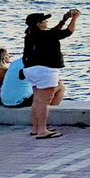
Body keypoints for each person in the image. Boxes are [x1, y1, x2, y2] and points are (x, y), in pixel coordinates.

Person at [22, 10, 79, 140]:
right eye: (45, 20)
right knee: (44, 102)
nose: (47, 22)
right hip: (45, 70)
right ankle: (42, 130)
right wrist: (74, 19)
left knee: (37, 100)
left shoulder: (31, 34)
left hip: (30, 70)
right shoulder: (46, 35)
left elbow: (54, 32)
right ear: (38, 23)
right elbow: (68, 32)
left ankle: (36, 128)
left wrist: (63, 20)